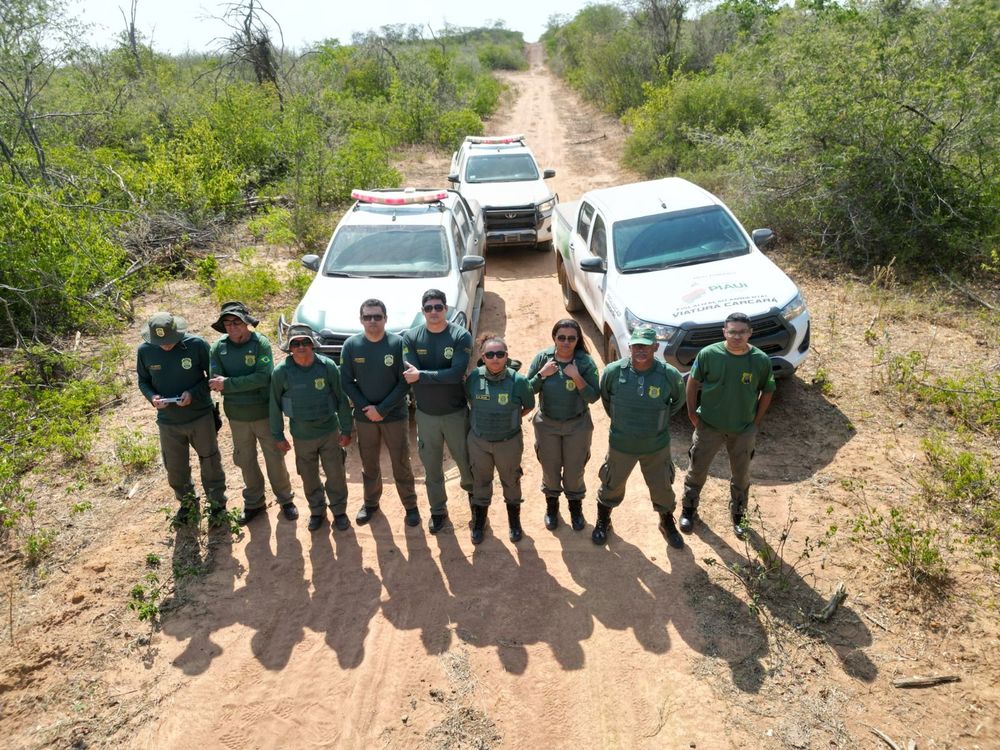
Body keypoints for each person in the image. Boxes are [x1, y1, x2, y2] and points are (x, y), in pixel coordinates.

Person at [683, 312, 776, 539]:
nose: (737, 336)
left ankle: (739, 515)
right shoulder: (708, 354)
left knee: (741, 475)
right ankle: (688, 509)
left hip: (742, 429)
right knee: (697, 469)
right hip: (709, 426)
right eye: (732, 331)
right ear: (724, 332)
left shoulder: (760, 360)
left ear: (750, 333)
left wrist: (755, 423)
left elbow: (768, 390)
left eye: (742, 332)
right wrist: (692, 414)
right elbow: (693, 382)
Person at [593, 327, 685, 548]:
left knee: (662, 485)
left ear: (655, 347)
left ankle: (666, 523)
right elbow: (607, 400)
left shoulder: (669, 375)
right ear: (630, 346)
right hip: (621, 444)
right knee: (611, 483)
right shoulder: (614, 372)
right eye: (636, 345)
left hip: (656, 445)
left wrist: (656, 422)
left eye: (646, 345)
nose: (641, 350)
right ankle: (603, 520)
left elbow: (678, 402)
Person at [208, 301, 296, 525]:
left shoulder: (261, 344)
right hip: (237, 416)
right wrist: (229, 384)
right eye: (227, 323)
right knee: (245, 460)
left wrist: (229, 384)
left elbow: (263, 376)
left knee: (274, 458)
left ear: (246, 323)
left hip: (263, 412)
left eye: (237, 322)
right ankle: (254, 502)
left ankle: (285, 499)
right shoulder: (219, 348)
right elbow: (215, 381)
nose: (232, 326)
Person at [136, 311, 227, 526]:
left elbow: (212, 378)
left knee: (210, 460)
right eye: (161, 342)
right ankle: (186, 503)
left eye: (169, 340)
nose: (166, 346)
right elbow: (143, 381)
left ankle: (217, 504)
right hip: (168, 421)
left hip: (199, 416)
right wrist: (153, 397)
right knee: (175, 466)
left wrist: (193, 393)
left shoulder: (197, 345)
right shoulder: (145, 351)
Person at [340, 299, 419, 527]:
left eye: (377, 316)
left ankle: (410, 505)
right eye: (367, 317)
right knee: (369, 462)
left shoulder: (397, 344)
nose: (372, 321)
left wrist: (382, 409)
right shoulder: (352, 345)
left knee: (401, 460)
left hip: (394, 415)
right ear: (361, 319)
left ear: (386, 318)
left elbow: (405, 381)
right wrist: (368, 408)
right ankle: (371, 503)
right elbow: (346, 381)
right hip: (365, 416)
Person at [402, 289, 475, 534]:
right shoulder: (411, 338)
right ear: (422, 311)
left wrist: (422, 375)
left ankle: (477, 508)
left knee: (466, 463)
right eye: (429, 308)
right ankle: (438, 511)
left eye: (438, 307)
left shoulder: (460, 336)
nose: (433, 312)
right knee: (431, 467)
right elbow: (410, 377)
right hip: (426, 415)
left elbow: (456, 374)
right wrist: (432, 377)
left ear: (446, 309)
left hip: (455, 413)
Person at [270, 324, 353, 532]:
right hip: (302, 434)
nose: (301, 347)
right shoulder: (282, 372)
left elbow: (341, 399)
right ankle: (317, 511)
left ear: (313, 345)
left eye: (305, 342)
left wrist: (346, 429)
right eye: (295, 343)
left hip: (329, 431)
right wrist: (278, 435)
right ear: (289, 347)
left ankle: (339, 511)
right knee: (308, 475)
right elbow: (274, 404)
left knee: (335, 473)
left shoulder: (326, 366)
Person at [527, 319, 600, 532]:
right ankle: (552, 508)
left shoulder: (585, 362)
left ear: (577, 340)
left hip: (577, 425)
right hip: (547, 425)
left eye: (571, 338)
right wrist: (542, 374)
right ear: (554, 338)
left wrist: (576, 377)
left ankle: (575, 508)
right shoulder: (543, 358)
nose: (566, 342)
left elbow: (593, 396)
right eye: (561, 337)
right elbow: (526, 390)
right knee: (549, 467)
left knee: (574, 470)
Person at [465, 335, 535, 545]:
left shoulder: (519, 381)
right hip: (479, 442)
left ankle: (514, 523)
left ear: (507, 356)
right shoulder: (474, 378)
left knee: (511, 480)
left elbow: (528, 405)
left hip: (509, 442)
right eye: (490, 354)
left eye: (500, 354)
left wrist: (510, 419)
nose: (495, 358)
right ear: (483, 357)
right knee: (480, 480)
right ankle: (479, 523)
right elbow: (470, 401)